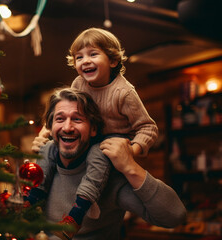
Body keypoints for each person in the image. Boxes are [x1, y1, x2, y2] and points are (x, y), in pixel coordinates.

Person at [30, 27, 158, 234]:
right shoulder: (79, 83)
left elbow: (148, 127)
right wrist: (46, 132)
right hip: (89, 136)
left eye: (93, 54)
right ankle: (32, 199)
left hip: (111, 142)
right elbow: (68, 111)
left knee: (99, 156)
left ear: (113, 61)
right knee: (47, 151)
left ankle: (77, 214)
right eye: (79, 57)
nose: (85, 61)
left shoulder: (124, 93)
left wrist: (131, 152)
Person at [29, 87, 186, 240]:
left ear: (93, 129)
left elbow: (174, 216)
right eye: (60, 119)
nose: (68, 127)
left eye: (77, 119)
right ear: (50, 128)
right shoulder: (42, 167)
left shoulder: (109, 177)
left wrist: (130, 167)